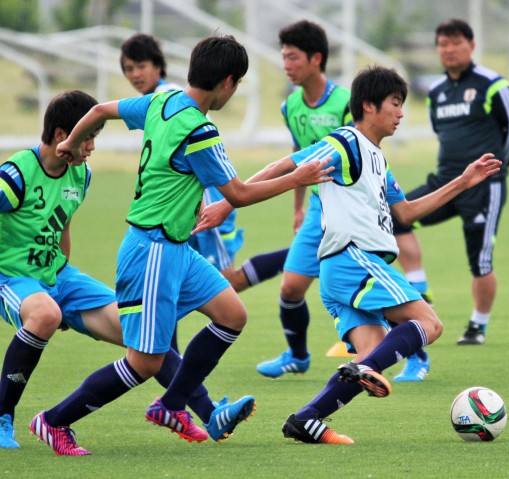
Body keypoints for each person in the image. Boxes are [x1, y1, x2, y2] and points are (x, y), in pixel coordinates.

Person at [29, 35, 332, 456]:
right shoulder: (200, 130)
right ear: (227, 82)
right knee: (145, 362)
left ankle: (172, 403)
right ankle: (54, 420)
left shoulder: (161, 101)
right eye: (238, 82)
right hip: (152, 250)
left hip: (175, 249)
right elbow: (238, 193)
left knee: (232, 314)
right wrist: (297, 178)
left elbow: (99, 110)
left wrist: (67, 143)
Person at [240, 66, 501, 444]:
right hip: (354, 259)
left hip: (341, 269)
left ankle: (307, 419)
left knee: (372, 354)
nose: (401, 113)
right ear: (369, 105)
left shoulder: (376, 157)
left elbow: (406, 212)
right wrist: (231, 200)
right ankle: (365, 371)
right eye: (395, 104)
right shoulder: (345, 142)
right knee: (430, 324)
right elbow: (285, 164)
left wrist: (462, 181)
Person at [0, 91, 216, 451]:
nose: (92, 146)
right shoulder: (16, 173)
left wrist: (63, 276)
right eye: (88, 137)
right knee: (45, 314)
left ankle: (207, 411)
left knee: (141, 330)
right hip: (12, 279)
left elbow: (63, 225)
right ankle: (3, 416)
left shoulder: (80, 175)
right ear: (60, 135)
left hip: (60, 279)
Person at [392, 18, 509, 355]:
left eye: (455, 43)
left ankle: (477, 325)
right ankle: (421, 291)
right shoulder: (436, 92)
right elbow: (442, 132)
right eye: (442, 44)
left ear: (471, 46)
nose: (448, 50)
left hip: (484, 186)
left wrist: (498, 167)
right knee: (395, 218)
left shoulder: (492, 84)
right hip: (446, 181)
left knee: (479, 258)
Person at [120, 33, 289, 297]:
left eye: (141, 66)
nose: (135, 74)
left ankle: (302, 256)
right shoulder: (161, 100)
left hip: (208, 201)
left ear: (158, 66)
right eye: (128, 68)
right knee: (166, 285)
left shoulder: (166, 97)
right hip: (181, 209)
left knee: (227, 283)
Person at [254, 20, 353, 379]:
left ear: (316, 58)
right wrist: (298, 207)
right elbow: (298, 155)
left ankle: (414, 350)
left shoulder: (346, 102)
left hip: (352, 207)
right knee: (292, 286)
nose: (287, 65)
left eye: (293, 57)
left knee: (359, 288)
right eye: (284, 58)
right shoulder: (291, 106)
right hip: (317, 207)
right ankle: (297, 356)